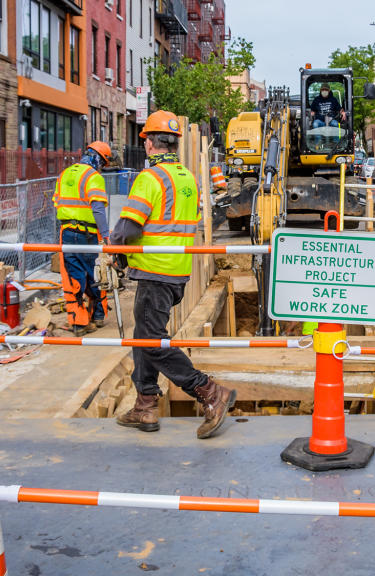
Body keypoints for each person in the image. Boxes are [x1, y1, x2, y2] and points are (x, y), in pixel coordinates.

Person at [112, 110, 236, 437]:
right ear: (176, 143)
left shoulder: (150, 178)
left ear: (150, 143)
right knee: (144, 335)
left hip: (154, 270)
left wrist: (115, 253)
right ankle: (145, 406)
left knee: (151, 341)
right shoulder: (189, 179)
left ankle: (209, 392)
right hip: (177, 272)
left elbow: (127, 227)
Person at [52, 141, 112, 337]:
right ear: (99, 159)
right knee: (94, 275)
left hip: (67, 232)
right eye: (103, 163)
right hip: (88, 235)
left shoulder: (64, 174)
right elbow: (97, 208)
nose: (102, 168)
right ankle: (98, 316)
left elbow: (57, 203)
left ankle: (79, 323)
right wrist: (106, 235)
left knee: (73, 277)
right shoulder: (93, 177)